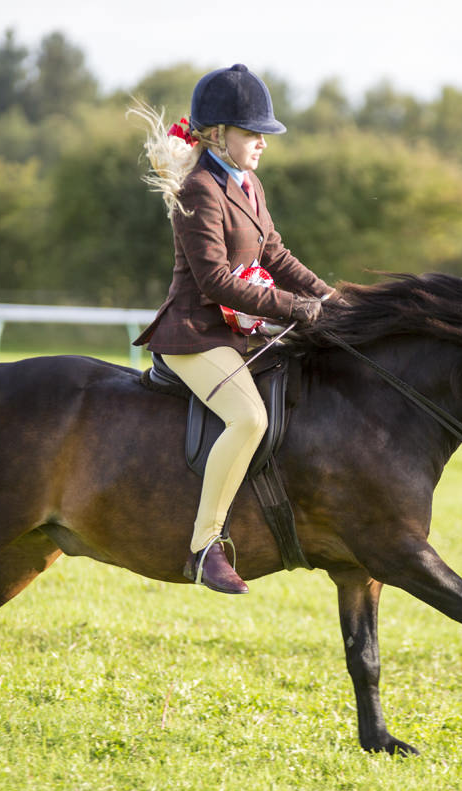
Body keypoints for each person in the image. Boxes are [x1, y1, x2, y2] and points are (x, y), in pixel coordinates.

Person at [131, 64, 335, 594]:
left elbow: (275, 253)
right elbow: (216, 281)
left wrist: (330, 298)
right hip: (193, 335)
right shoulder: (199, 188)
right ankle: (204, 544)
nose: (263, 143)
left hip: (236, 333)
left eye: (264, 134)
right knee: (248, 419)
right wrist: (294, 306)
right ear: (218, 134)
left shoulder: (247, 182)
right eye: (253, 133)